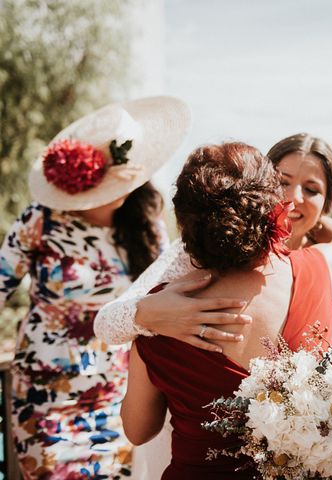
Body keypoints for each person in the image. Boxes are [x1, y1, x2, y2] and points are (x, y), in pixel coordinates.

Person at [93, 132, 332, 478]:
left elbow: (138, 429)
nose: (293, 199)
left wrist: (150, 317)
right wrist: (143, 312)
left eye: (311, 190)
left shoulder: (163, 311)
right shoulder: (322, 270)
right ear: (268, 202)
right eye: (282, 184)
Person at [0, 96, 190, 478]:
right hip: (46, 395)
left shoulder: (146, 223)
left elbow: (166, 295)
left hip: (120, 398)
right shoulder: (41, 220)